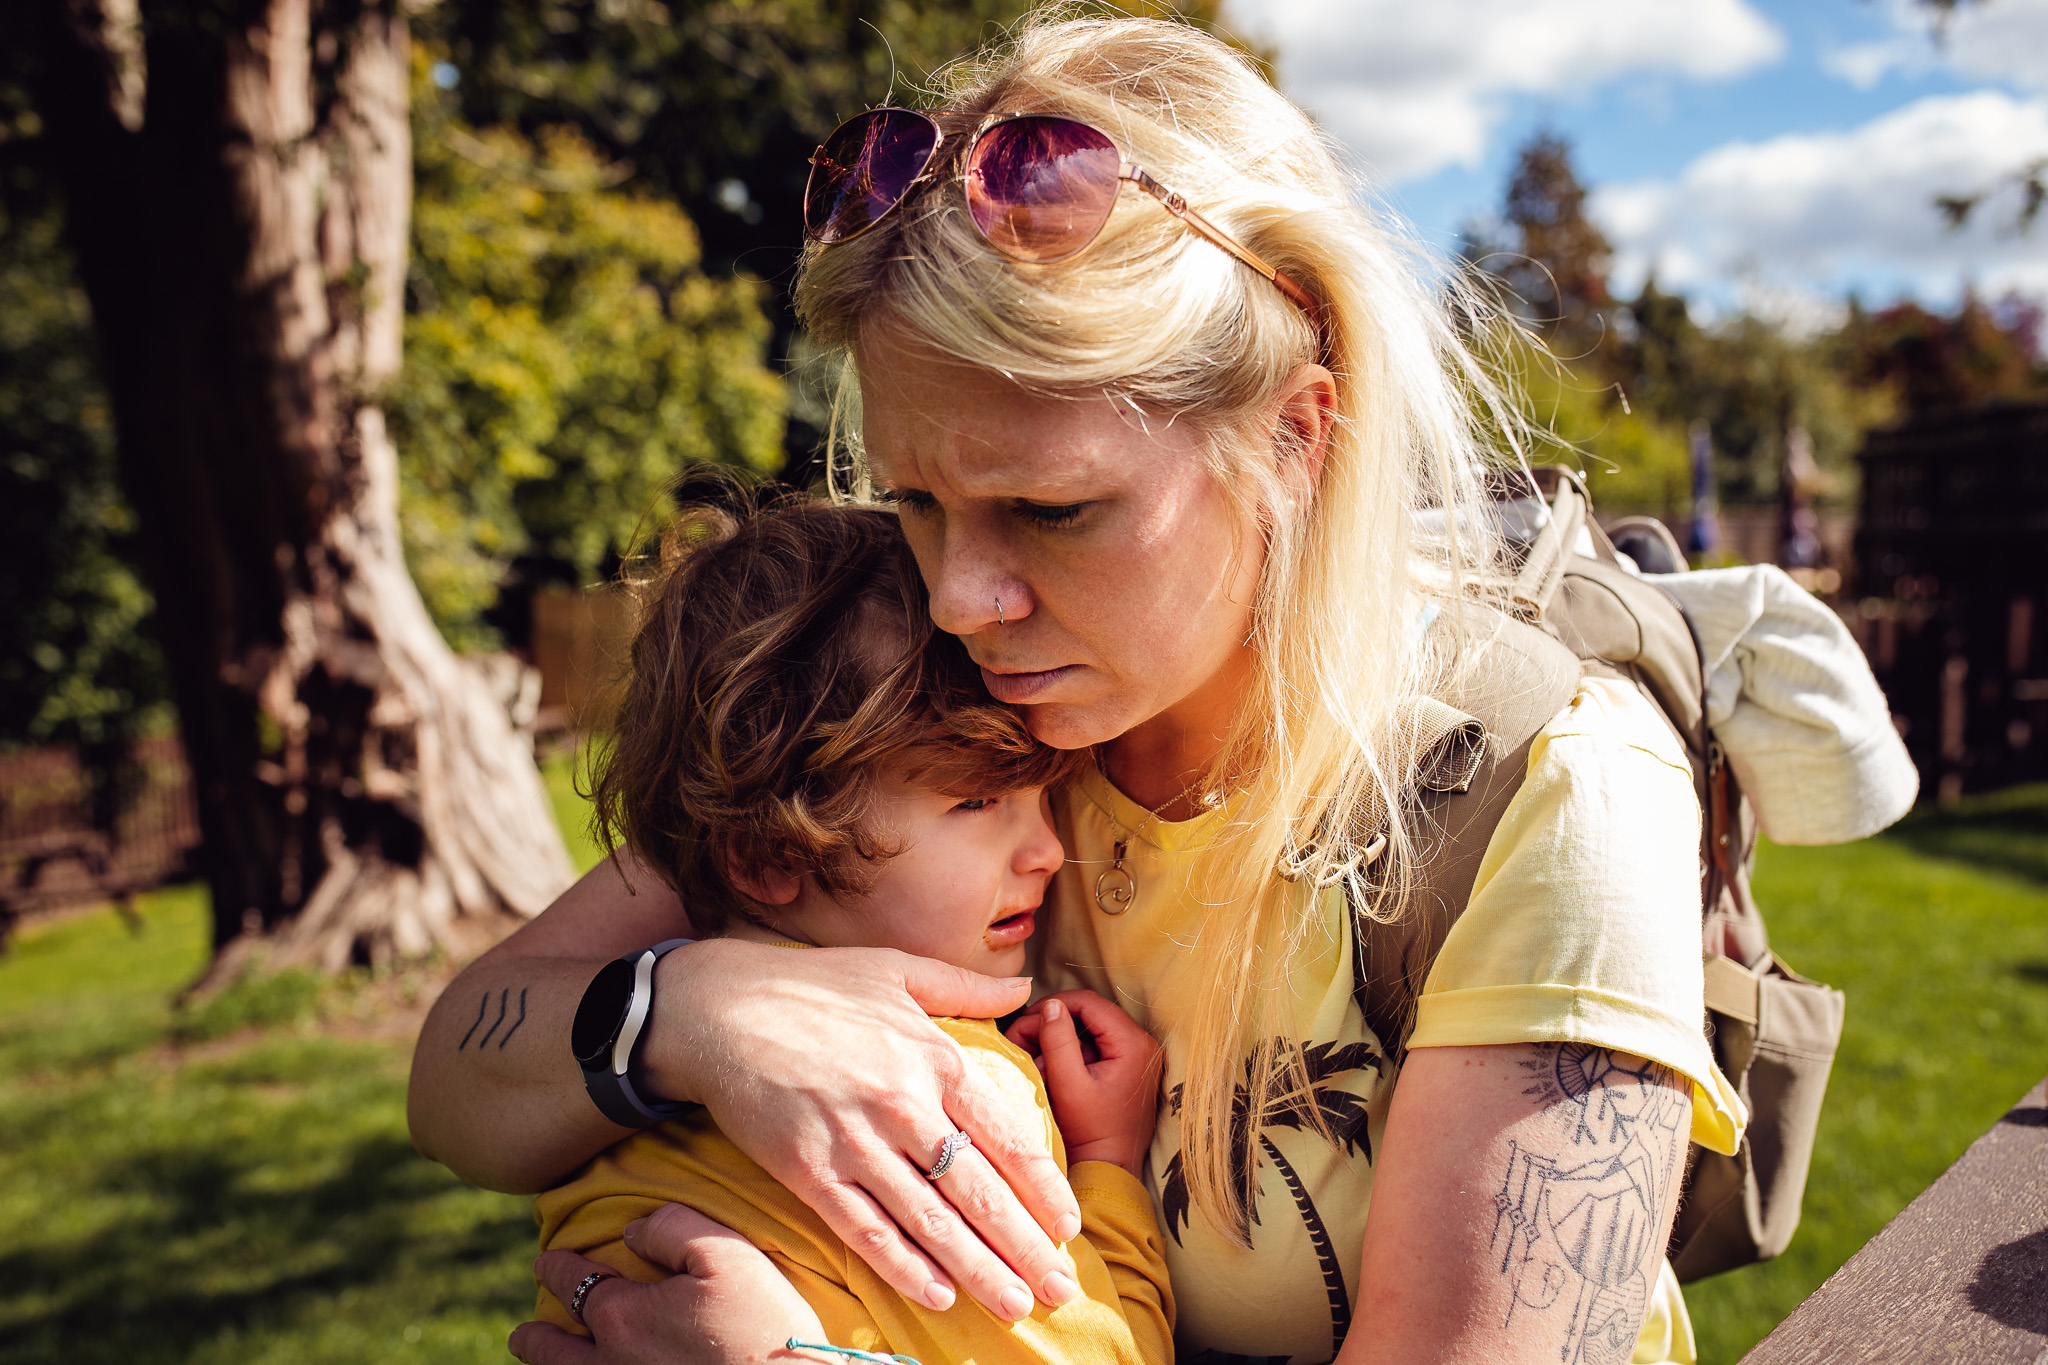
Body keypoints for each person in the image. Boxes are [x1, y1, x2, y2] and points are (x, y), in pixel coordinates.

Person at [406, 13, 1746, 1364]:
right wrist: (695, 1013)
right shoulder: (932, 703)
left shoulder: (1553, 795)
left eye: (1052, 509)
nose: (958, 596)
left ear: (1294, 435)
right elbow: (458, 1069)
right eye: (917, 500)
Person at [529, 492, 1172, 1364]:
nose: (1048, 851)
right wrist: (1107, 1168)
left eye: (1042, 795)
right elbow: (1111, 1356)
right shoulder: (942, 1082)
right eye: (976, 800)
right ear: (766, 856)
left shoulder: (604, 1103)